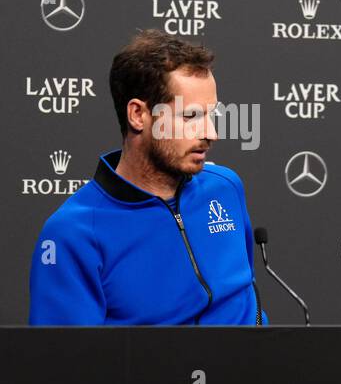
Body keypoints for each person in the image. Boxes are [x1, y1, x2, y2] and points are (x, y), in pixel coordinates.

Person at [29, 30, 264, 325]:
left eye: (212, 115)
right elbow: (68, 363)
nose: (211, 133)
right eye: (191, 117)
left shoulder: (226, 188)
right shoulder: (73, 233)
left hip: (251, 369)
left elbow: (251, 306)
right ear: (138, 115)